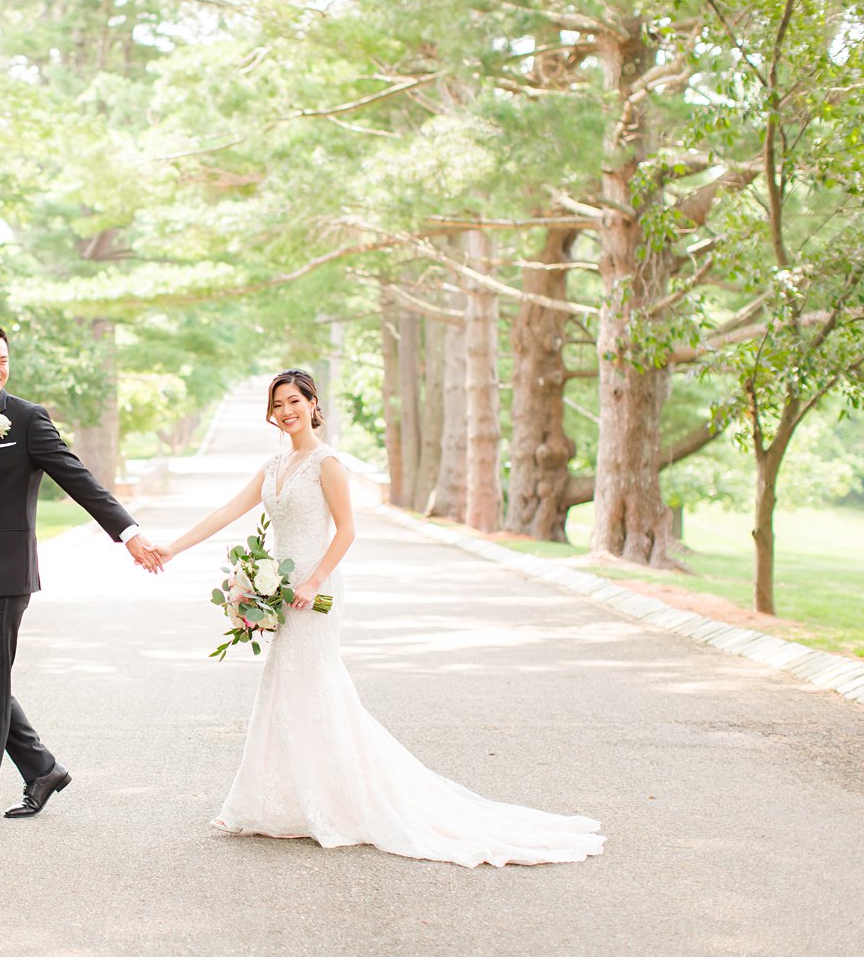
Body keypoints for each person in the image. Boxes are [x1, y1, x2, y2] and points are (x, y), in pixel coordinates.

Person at [154, 369, 605, 867]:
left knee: (316, 684)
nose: (286, 411)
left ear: (312, 403)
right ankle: (281, 802)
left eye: (293, 401)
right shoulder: (274, 464)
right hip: (282, 591)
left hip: (316, 591)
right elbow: (226, 511)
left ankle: (341, 802)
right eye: (277, 404)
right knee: (284, 686)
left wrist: (313, 581)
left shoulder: (327, 464)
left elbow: (346, 531)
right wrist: (172, 548)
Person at [0, 320, 164, 838]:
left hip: (5, 575)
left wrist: (129, 532)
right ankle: (42, 769)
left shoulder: (25, 420)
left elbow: (78, 477)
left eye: (3, 360)